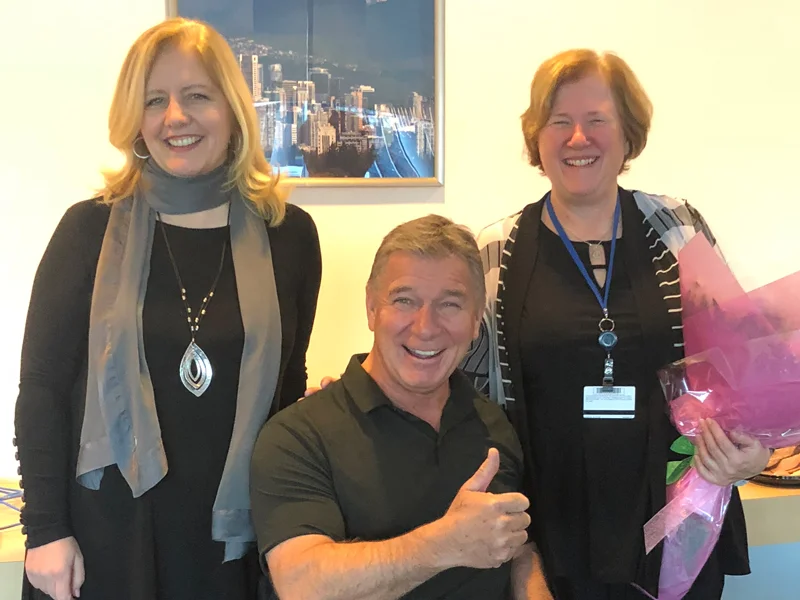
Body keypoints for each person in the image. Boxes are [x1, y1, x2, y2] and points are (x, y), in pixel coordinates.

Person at [13, 18, 321, 600]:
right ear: (135, 120)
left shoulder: (291, 236)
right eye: (155, 100)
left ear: (232, 109)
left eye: (197, 95)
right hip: (103, 540)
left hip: (235, 540)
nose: (175, 117)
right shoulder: (89, 229)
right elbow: (42, 389)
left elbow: (287, 388)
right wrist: (45, 530)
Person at [458, 48, 771, 599]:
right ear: (537, 138)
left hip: (676, 519)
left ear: (628, 132)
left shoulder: (678, 227)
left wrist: (753, 449)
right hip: (547, 539)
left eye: (597, 119)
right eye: (560, 122)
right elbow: (461, 387)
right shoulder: (495, 252)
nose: (579, 138)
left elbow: (740, 366)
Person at [250, 215, 552, 600]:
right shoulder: (298, 435)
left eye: (450, 304)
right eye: (404, 300)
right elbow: (303, 584)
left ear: (477, 321)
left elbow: (517, 548)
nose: (425, 327)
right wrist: (443, 543)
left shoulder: (493, 423)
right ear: (372, 307)